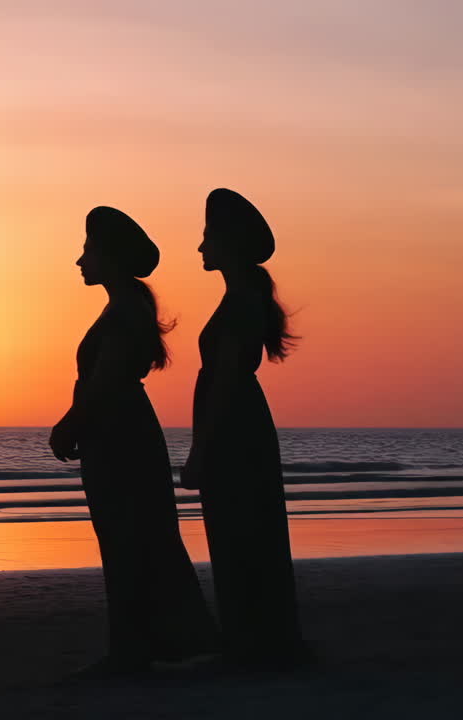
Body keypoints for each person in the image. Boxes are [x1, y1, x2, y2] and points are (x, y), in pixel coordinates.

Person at [50, 206, 216, 674]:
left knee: (128, 537)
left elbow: (108, 380)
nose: (81, 262)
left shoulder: (124, 309)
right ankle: (158, 640)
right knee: (140, 535)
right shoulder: (127, 306)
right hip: (121, 428)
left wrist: (71, 422)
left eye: (88, 252)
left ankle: (135, 647)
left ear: (110, 257)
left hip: (119, 431)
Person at [182, 188, 308, 668]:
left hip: (235, 427)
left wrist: (200, 449)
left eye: (206, 237)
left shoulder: (240, 304)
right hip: (240, 423)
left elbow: (228, 381)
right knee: (241, 530)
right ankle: (253, 638)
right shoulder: (241, 298)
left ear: (227, 243)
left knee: (241, 532)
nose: (200, 248)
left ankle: (252, 643)